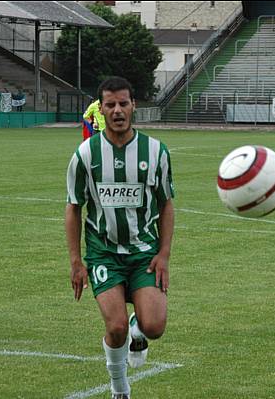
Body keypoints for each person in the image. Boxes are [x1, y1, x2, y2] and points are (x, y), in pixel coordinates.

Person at [66, 76, 175, 399]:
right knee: (115, 329)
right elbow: (73, 208)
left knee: (154, 327)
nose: (117, 111)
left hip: (144, 252)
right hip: (103, 254)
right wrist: (76, 261)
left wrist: (164, 253)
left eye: (123, 104)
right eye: (110, 105)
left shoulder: (155, 152)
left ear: (133, 107)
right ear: (101, 109)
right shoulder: (86, 154)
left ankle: (138, 326)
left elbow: (166, 204)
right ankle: (120, 390)